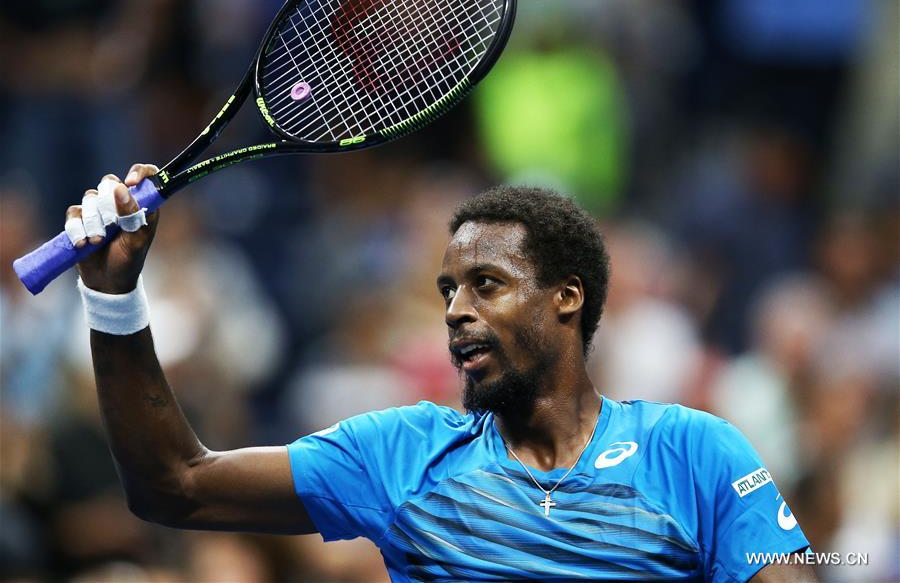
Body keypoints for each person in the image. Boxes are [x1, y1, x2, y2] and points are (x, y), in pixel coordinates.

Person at [62, 163, 817, 583]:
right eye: (447, 291)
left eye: (486, 283)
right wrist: (112, 297)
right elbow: (175, 484)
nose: (456, 310)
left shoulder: (694, 453)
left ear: (568, 296)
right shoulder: (404, 453)